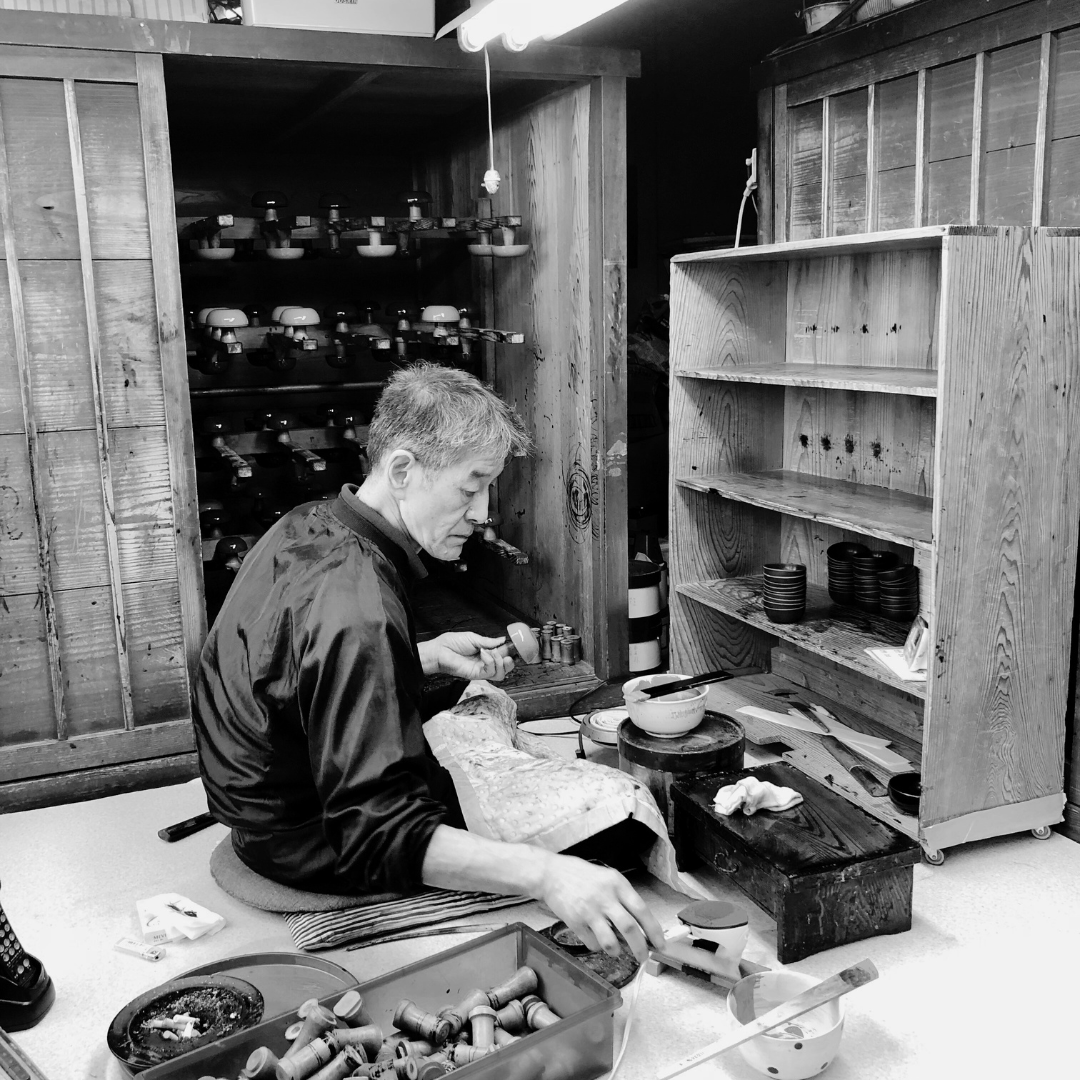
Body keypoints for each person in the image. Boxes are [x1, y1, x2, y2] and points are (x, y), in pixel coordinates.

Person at [193, 363, 664, 961]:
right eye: (470, 488)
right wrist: (547, 876)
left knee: (454, 701)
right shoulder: (356, 604)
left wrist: (420, 657)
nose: (483, 512)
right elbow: (377, 834)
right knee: (616, 820)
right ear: (402, 471)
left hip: (264, 813)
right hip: (311, 842)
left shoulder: (308, 522)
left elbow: (289, 669)